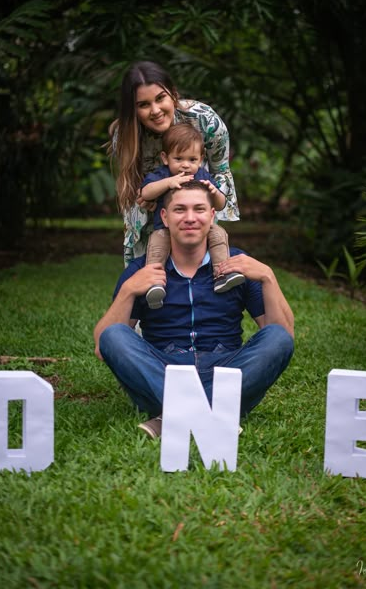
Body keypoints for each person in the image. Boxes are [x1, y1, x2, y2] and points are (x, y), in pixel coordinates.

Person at [94, 181, 295, 439]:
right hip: (164, 369)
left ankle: (173, 415)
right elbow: (103, 346)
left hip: (226, 370)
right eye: (180, 210)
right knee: (113, 335)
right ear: (165, 217)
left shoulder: (235, 265)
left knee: (277, 338)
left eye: (199, 209)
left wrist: (268, 276)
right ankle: (214, 414)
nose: (190, 218)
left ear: (212, 216)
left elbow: (283, 333)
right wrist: (128, 290)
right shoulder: (141, 270)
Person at [109, 60, 240, 267]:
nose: (155, 110)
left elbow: (221, 171)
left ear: (173, 93)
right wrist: (146, 197)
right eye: (143, 105)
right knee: (148, 266)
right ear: (132, 110)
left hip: (196, 200)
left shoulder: (204, 120)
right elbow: (132, 184)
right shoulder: (125, 137)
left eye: (161, 98)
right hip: (151, 202)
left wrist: (209, 199)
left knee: (197, 265)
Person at [140, 122, 244, 309]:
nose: (186, 166)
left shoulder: (203, 175)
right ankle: (154, 284)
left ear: (201, 159)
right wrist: (169, 182)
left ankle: (222, 275)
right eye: (178, 159)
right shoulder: (162, 175)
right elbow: (146, 193)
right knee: (156, 245)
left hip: (202, 230)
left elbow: (220, 205)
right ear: (165, 158)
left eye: (192, 159)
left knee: (219, 234)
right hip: (167, 230)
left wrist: (214, 192)